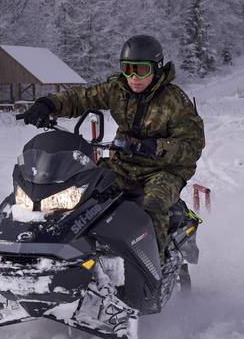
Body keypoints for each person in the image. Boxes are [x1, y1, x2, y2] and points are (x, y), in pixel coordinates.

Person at [22, 34, 205, 262]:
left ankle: (153, 267)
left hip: (163, 170)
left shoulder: (175, 101)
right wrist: (48, 104)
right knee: (81, 190)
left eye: (141, 70)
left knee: (152, 205)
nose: (133, 77)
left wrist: (156, 147)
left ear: (156, 70)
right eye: (127, 69)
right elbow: (81, 97)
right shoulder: (117, 90)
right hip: (123, 163)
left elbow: (192, 146)